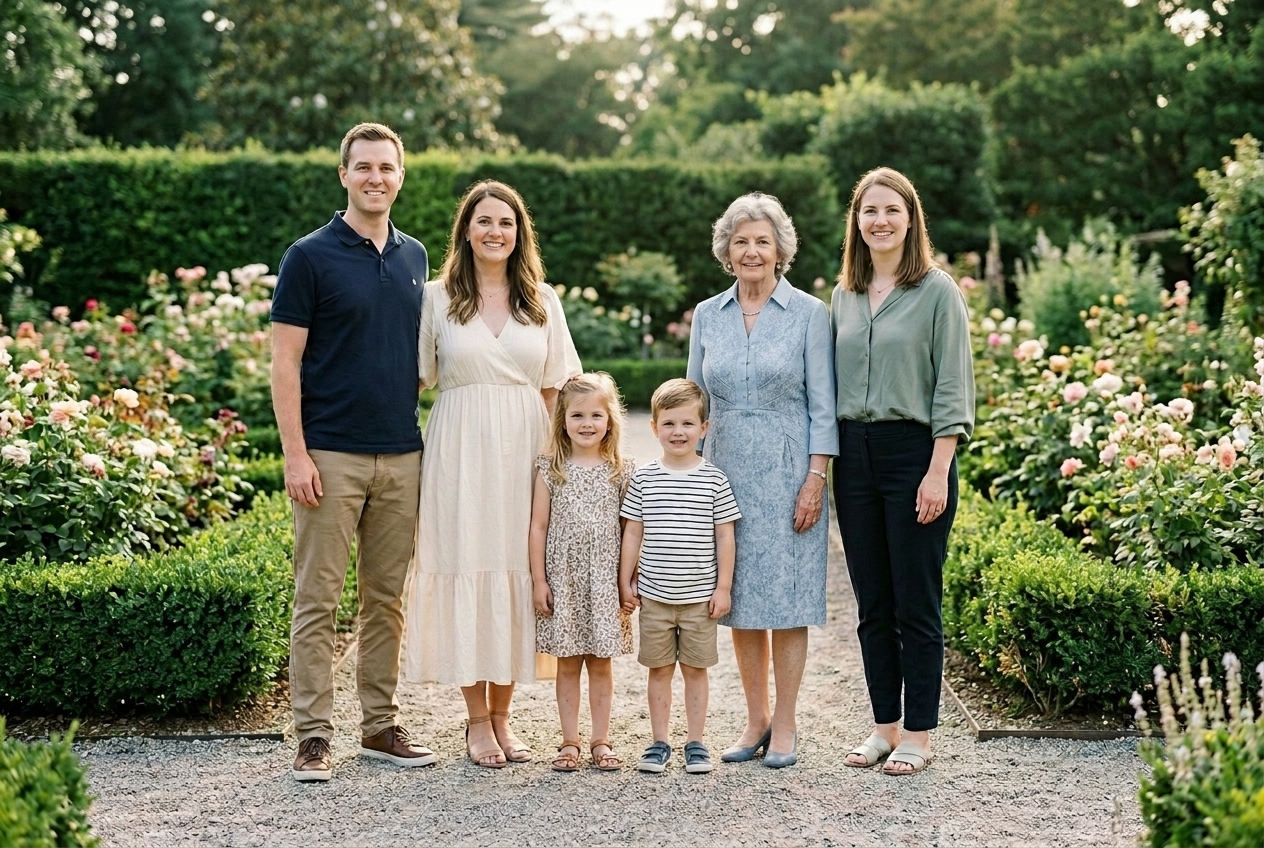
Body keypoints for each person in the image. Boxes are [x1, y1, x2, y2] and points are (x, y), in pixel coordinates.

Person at [271, 122, 436, 783]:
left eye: (386, 167)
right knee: (317, 599)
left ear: (401, 177)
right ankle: (313, 737)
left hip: (401, 454)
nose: (375, 177)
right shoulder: (308, 256)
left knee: (386, 600)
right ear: (343, 175)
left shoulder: (416, 257)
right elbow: (285, 362)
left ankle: (379, 726)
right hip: (330, 455)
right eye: (363, 166)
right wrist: (295, 453)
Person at [406, 180, 581, 769]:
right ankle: (476, 721)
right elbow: (415, 378)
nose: (494, 231)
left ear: (519, 233)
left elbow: (557, 389)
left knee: (517, 569)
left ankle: (503, 716)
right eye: (483, 221)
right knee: (466, 563)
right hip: (459, 451)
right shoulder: (437, 299)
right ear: (465, 230)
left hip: (525, 450)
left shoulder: (542, 300)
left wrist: (561, 466)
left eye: (506, 222)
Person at [831, 167, 974, 776]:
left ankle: (919, 733)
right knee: (872, 604)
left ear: (911, 219)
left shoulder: (938, 292)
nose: (880, 220)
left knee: (916, 602)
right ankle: (884, 727)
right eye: (870, 211)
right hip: (852, 457)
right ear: (857, 222)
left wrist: (938, 470)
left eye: (892, 209)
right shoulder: (843, 294)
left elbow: (953, 387)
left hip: (916, 455)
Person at [686, 192, 836, 769]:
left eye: (762, 242)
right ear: (727, 251)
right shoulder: (707, 314)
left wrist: (816, 477)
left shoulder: (809, 314)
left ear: (780, 251)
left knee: (788, 599)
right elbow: (694, 401)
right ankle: (756, 720)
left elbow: (823, 404)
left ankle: (788, 722)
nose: (751, 251)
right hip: (724, 472)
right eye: (741, 241)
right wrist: (690, 476)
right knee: (740, 596)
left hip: (790, 469)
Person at [618, 378, 741, 775]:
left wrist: (723, 588)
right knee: (659, 671)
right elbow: (632, 533)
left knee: (695, 671)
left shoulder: (714, 479)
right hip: (654, 597)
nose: (678, 432)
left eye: (688, 424)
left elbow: (725, 536)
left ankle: (696, 742)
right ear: (654, 427)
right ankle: (659, 742)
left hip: (700, 599)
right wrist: (625, 580)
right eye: (669, 423)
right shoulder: (644, 478)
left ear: (703, 428)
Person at [528, 372, 636, 773]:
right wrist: (540, 580)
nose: (586, 423)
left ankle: (600, 740)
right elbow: (538, 526)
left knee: (601, 663)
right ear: (563, 420)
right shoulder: (550, 468)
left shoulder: (621, 470)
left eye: (595, 415)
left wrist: (627, 581)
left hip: (605, 582)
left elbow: (630, 531)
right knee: (568, 663)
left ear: (610, 420)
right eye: (577, 415)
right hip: (564, 581)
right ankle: (570, 741)